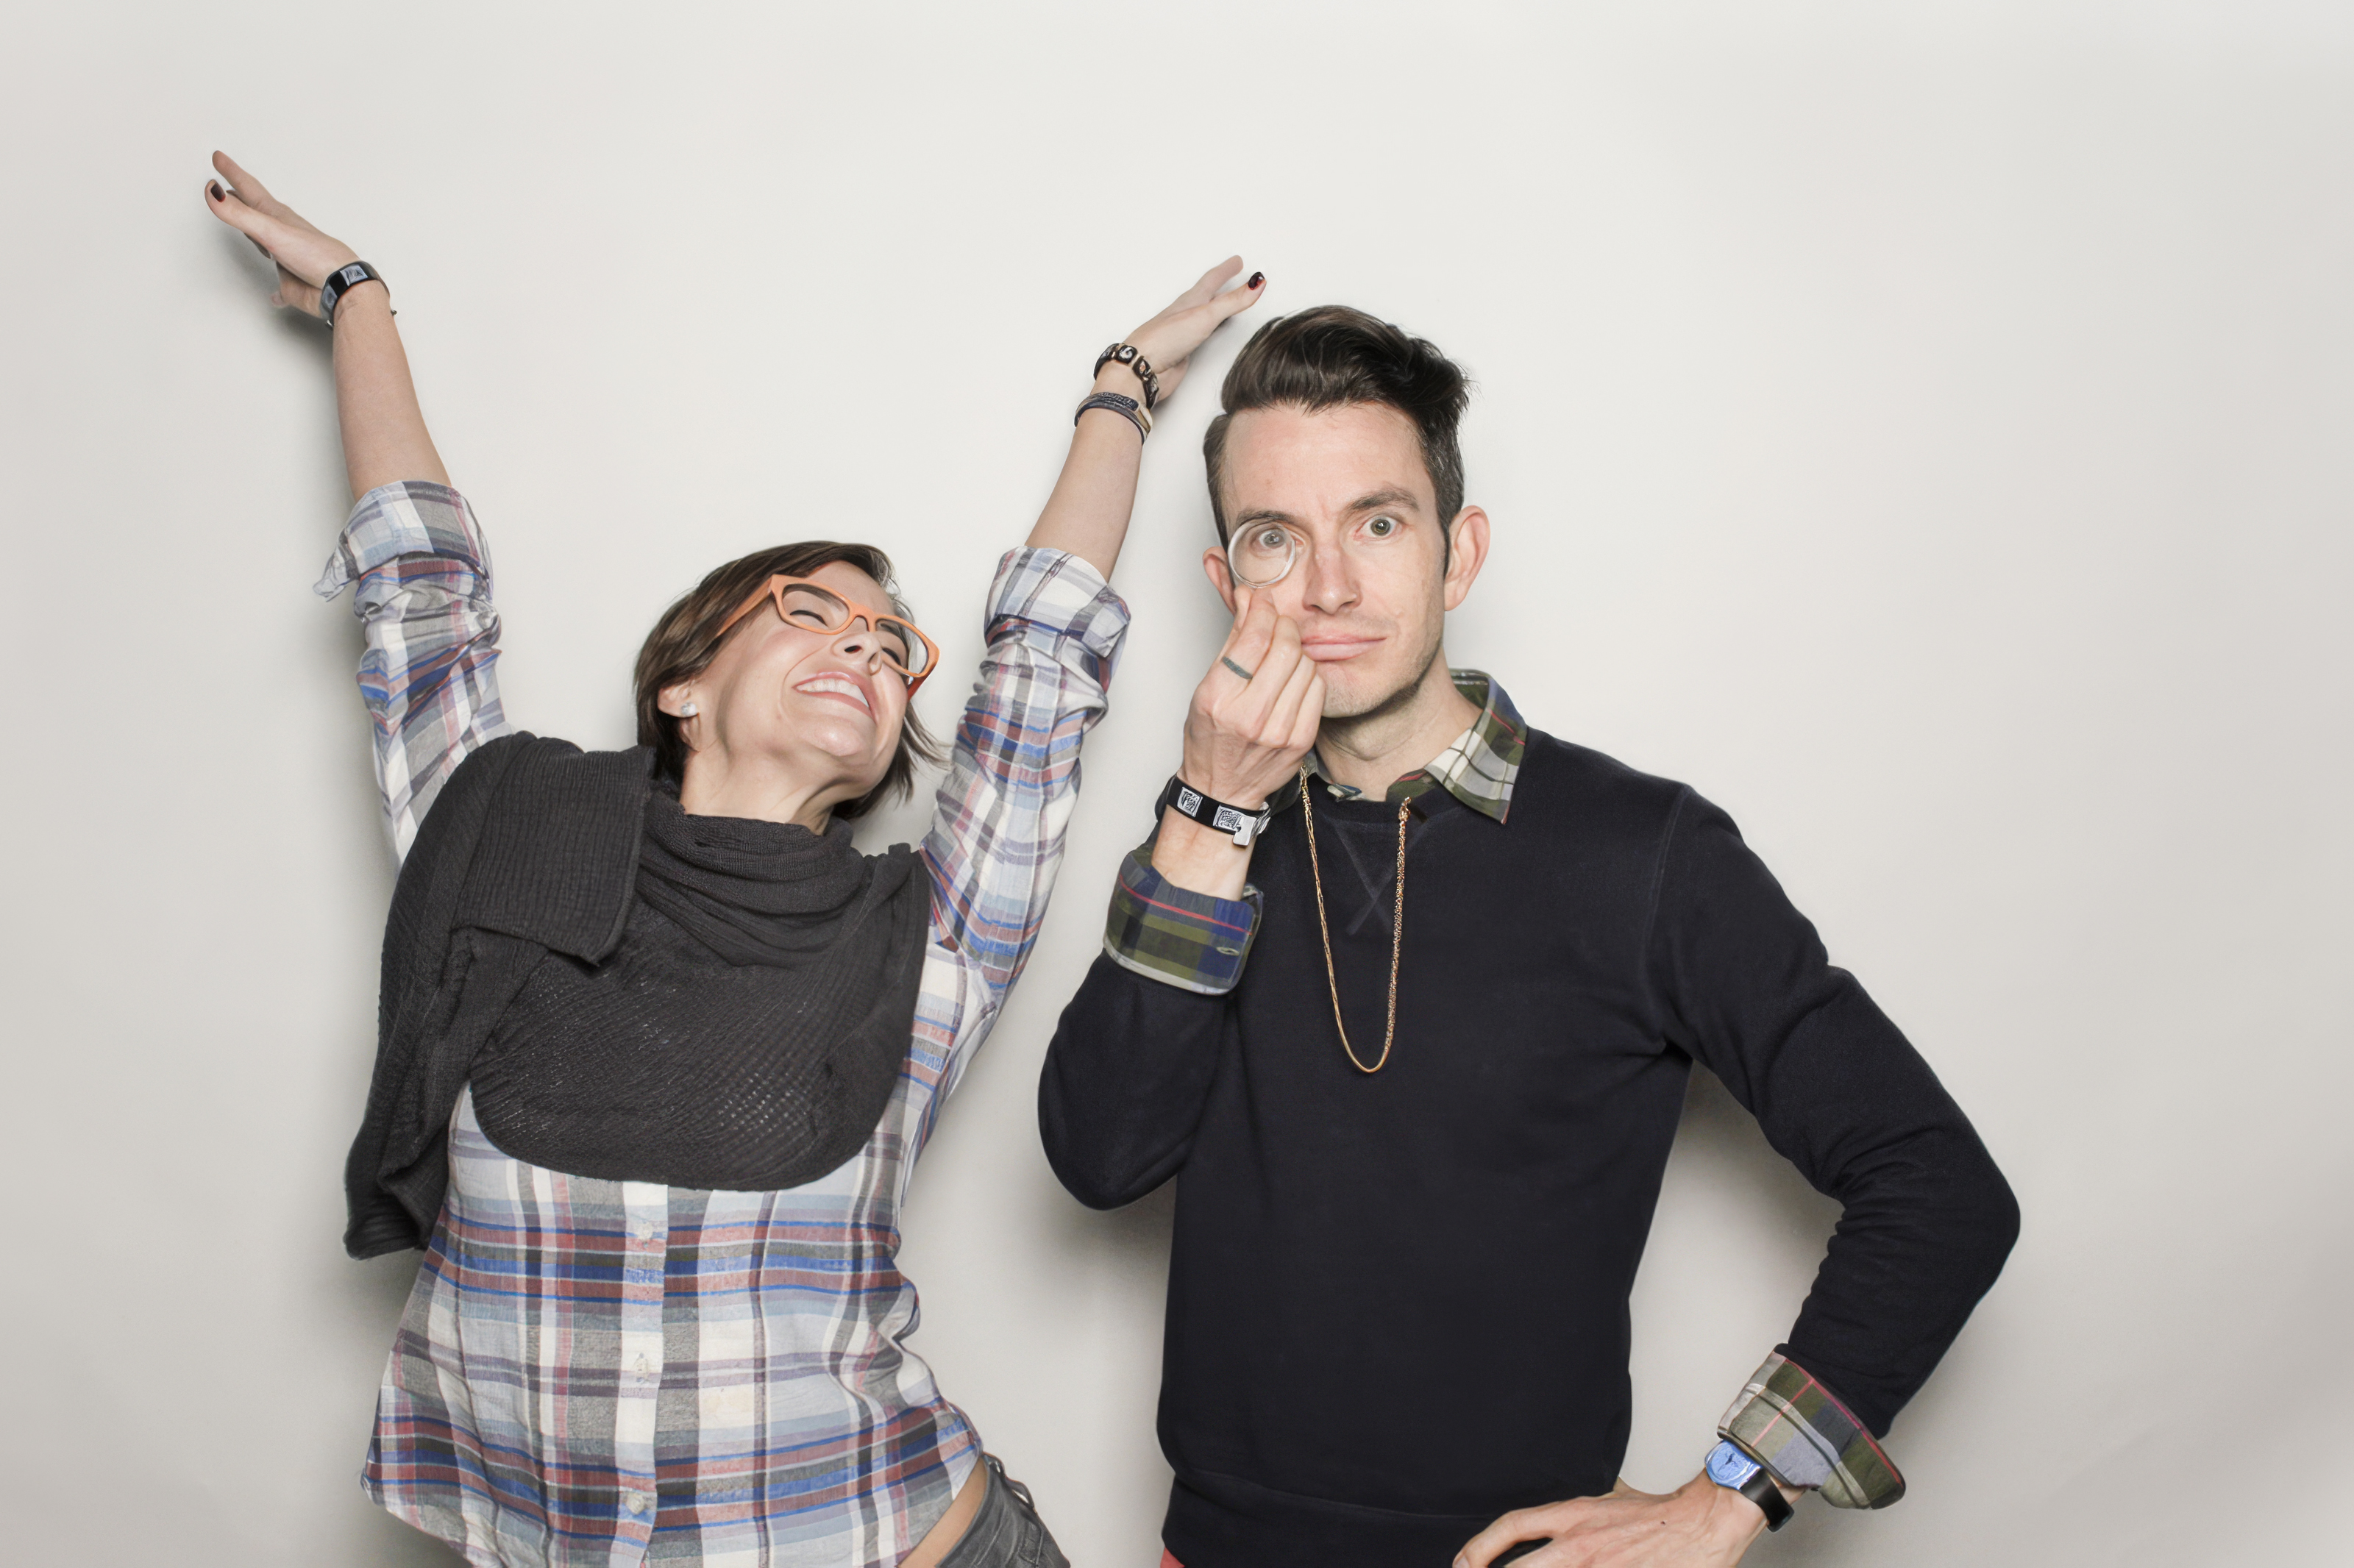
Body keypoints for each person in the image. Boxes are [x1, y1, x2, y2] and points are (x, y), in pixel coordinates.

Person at [202, 150, 1265, 1568]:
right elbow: (422, 597)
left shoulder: (927, 937)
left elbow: (1040, 670)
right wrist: (357, 301)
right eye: (810, 611)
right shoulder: (502, 843)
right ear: (683, 685)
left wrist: (1120, 388)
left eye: (890, 646)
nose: (863, 646)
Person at [1036, 307, 2021, 1567]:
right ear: (1229, 585)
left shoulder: (1644, 852)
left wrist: (1728, 1497)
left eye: (1378, 524)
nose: (1329, 587)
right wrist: (1212, 810)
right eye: (1277, 538)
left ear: (1459, 556)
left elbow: (1938, 1186)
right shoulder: (1207, 834)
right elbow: (1099, 1160)